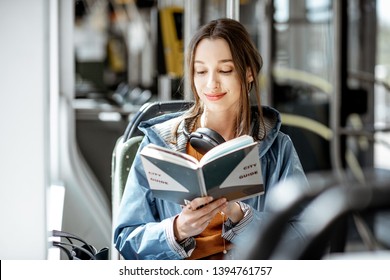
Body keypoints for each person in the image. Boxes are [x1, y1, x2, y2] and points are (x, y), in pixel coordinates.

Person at [113, 18, 308, 260]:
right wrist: (177, 230)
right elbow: (126, 238)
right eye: (201, 71)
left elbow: (304, 235)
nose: (211, 83)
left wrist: (240, 215)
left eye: (225, 70)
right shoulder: (158, 143)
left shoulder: (278, 149)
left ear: (248, 73)